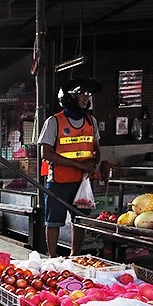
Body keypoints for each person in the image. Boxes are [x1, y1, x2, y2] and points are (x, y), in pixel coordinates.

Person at [38, 78, 102, 257]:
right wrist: (77, 164)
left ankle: (75, 256)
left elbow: (96, 148)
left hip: (82, 182)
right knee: (53, 221)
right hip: (59, 182)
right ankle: (52, 257)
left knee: (80, 219)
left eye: (88, 94)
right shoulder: (54, 122)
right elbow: (46, 154)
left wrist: (95, 165)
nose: (86, 98)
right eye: (82, 93)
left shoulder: (91, 121)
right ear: (69, 97)